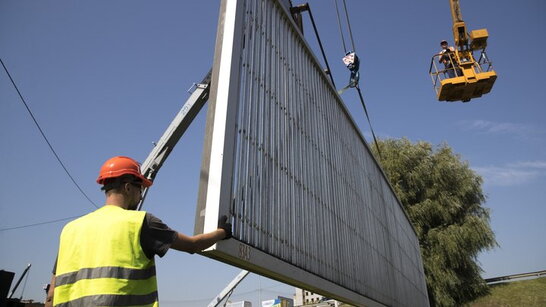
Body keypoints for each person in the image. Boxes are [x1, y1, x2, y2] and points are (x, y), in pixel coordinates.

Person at [45, 156, 232, 307]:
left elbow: (52, 294)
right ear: (127, 187)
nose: (141, 194)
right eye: (140, 188)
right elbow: (193, 245)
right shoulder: (140, 222)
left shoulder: (70, 230)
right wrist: (222, 232)